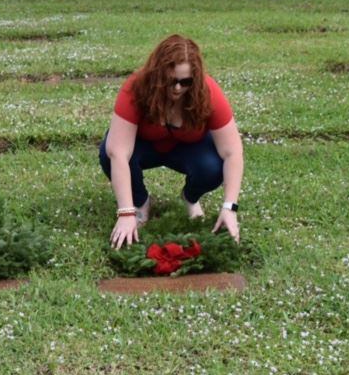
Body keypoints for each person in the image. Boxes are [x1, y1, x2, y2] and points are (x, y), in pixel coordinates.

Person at [99, 34, 244, 249]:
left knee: (213, 167)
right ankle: (140, 202)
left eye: (185, 82)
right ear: (158, 74)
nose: (177, 88)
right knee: (108, 153)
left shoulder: (208, 92)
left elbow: (232, 152)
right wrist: (126, 212)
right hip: (144, 147)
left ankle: (190, 197)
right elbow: (118, 152)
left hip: (188, 149)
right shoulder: (136, 88)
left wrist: (229, 208)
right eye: (170, 81)